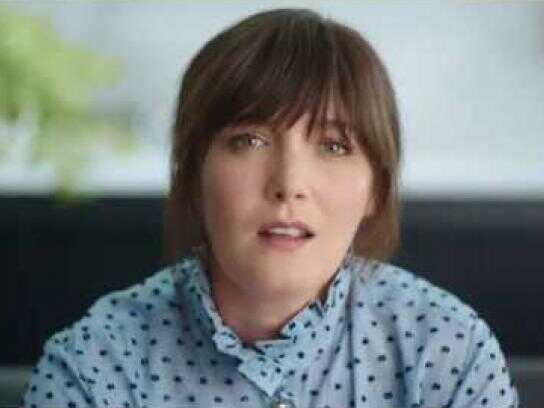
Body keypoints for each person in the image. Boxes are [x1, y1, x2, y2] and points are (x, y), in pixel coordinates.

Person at [21, 8, 519, 408]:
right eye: (250, 140)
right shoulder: (93, 367)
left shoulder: (448, 351)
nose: (289, 185)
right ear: (192, 174)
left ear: (376, 188)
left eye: (333, 146)